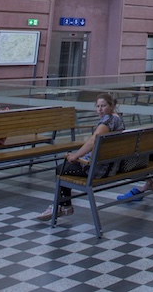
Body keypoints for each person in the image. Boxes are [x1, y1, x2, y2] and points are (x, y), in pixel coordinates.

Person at [37, 92, 123, 221]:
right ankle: (61, 206)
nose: (100, 109)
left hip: (100, 169)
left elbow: (93, 141)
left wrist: (76, 155)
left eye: (103, 106)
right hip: (110, 165)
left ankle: (63, 206)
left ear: (111, 106)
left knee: (61, 169)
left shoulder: (108, 121)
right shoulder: (118, 119)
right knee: (66, 166)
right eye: (98, 106)